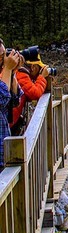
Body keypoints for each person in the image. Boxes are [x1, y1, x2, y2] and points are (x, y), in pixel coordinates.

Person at [11, 47, 50, 135]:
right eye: (39, 68)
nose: (39, 71)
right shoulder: (21, 74)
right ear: (33, 67)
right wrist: (42, 77)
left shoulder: (20, 73)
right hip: (9, 122)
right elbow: (34, 93)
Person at [0, 39, 23, 169]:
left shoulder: (4, 73)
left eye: (4, 55)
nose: (4, 60)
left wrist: (12, 72)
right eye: (0, 57)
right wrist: (7, 69)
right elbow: (2, 99)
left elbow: (14, 101)